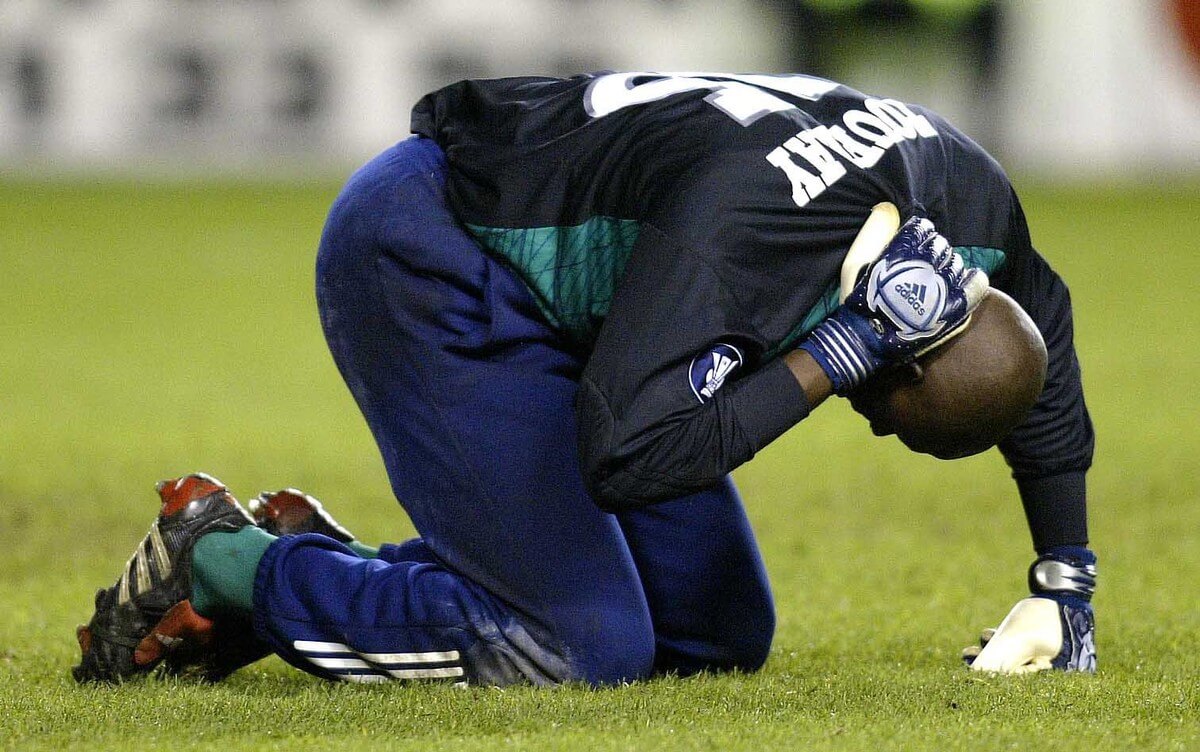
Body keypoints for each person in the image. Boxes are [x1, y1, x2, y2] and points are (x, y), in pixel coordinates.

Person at [73, 71, 1097, 685]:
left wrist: (1066, 580)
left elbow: (1037, 336)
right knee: (573, 646)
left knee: (714, 633)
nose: (875, 427)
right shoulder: (741, 249)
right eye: (896, 417)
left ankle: (349, 569)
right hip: (434, 249)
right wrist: (830, 358)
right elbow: (628, 453)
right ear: (895, 346)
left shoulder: (967, 202)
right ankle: (226, 561)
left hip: (587, 285)